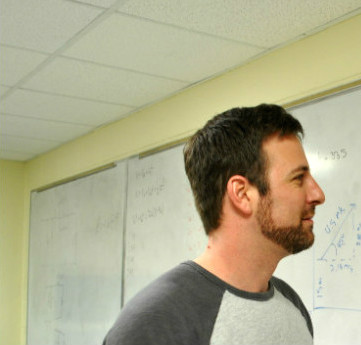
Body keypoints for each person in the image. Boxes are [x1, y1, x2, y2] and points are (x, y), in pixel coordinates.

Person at [103, 104, 326, 345]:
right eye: (298, 179)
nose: (318, 194)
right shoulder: (157, 323)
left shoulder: (291, 305)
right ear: (241, 194)